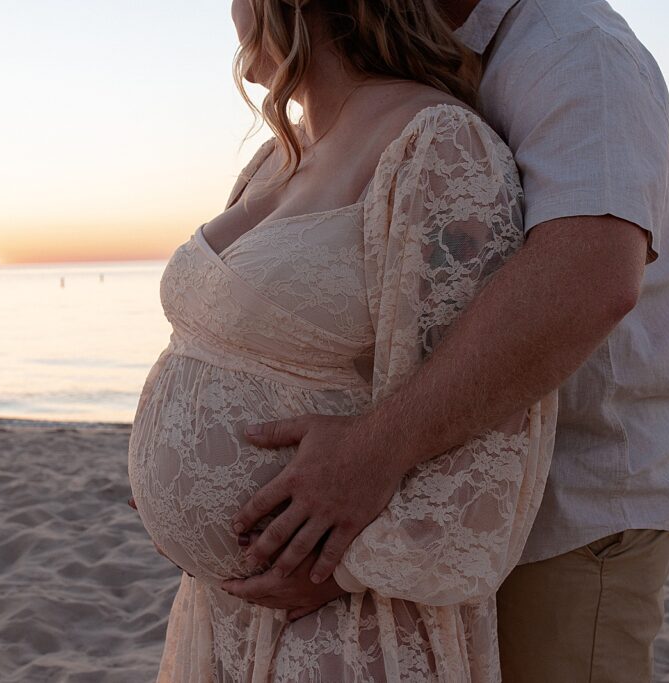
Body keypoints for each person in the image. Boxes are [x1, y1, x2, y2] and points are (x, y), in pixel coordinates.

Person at [226, 0, 669, 680]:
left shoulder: (575, 49)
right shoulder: (423, 56)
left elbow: (589, 277)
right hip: (448, 500)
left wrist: (373, 452)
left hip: (572, 513)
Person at [126, 0, 558, 679]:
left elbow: (497, 431)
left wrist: (347, 567)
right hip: (227, 613)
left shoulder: (435, 143)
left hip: (342, 622)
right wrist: (167, 472)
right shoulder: (279, 156)